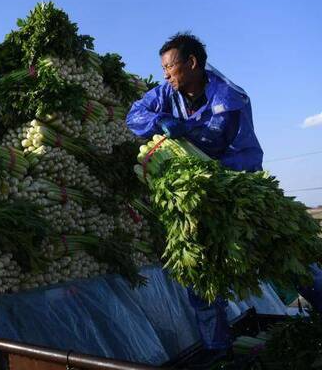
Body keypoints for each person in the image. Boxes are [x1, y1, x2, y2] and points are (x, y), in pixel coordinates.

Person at [127, 32, 322, 354]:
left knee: (289, 252)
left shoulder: (229, 96)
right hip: (198, 193)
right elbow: (134, 116)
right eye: (162, 69)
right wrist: (159, 118)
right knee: (199, 270)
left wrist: (184, 128)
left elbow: (217, 139)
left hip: (238, 183)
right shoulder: (166, 92)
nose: (165, 74)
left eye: (169, 67)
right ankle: (219, 350)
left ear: (191, 63)